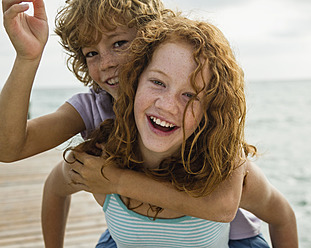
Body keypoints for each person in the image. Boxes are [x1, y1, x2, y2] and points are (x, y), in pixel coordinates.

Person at [1, 0, 270, 247]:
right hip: (134, 231)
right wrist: (27, 58)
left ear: (151, 40)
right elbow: (10, 148)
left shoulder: (190, 110)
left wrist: (116, 181)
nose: (106, 63)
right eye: (91, 53)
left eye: (119, 43)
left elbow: (222, 208)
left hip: (217, 235)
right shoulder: (93, 108)